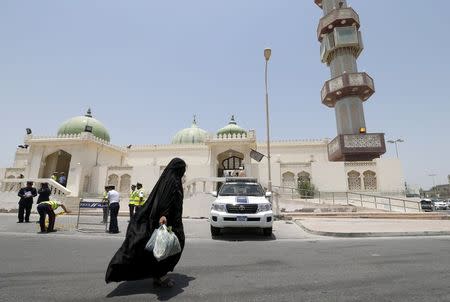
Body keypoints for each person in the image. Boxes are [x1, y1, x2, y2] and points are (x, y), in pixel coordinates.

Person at [105, 158, 186, 288]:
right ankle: (161, 276)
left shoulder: (169, 179)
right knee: (171, 245)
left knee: (166, 247)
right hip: (169, 223)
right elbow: (166, 198)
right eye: (183, 168)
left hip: (170, 221)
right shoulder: (172, 181)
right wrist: (164, 215)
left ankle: (158, 274)